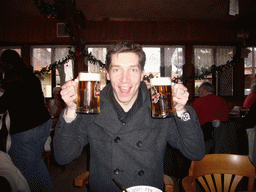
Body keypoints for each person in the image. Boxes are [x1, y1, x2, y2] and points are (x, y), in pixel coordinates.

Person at [53, 41, 205, 192]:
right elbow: (63, 157)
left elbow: (195, 152)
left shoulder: (160, 107)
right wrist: (71, 109)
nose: (124, 79)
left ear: (142, 75)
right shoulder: (91, 108)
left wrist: (181, 110)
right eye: (117, 70)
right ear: (107, 74)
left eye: (132, 70)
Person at [0, 50, 54, 192]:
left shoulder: (13, 78)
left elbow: (3, 104)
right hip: (43, 124)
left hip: (27, 128)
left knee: (23, 168)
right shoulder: (29, 75)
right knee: (36, 162)